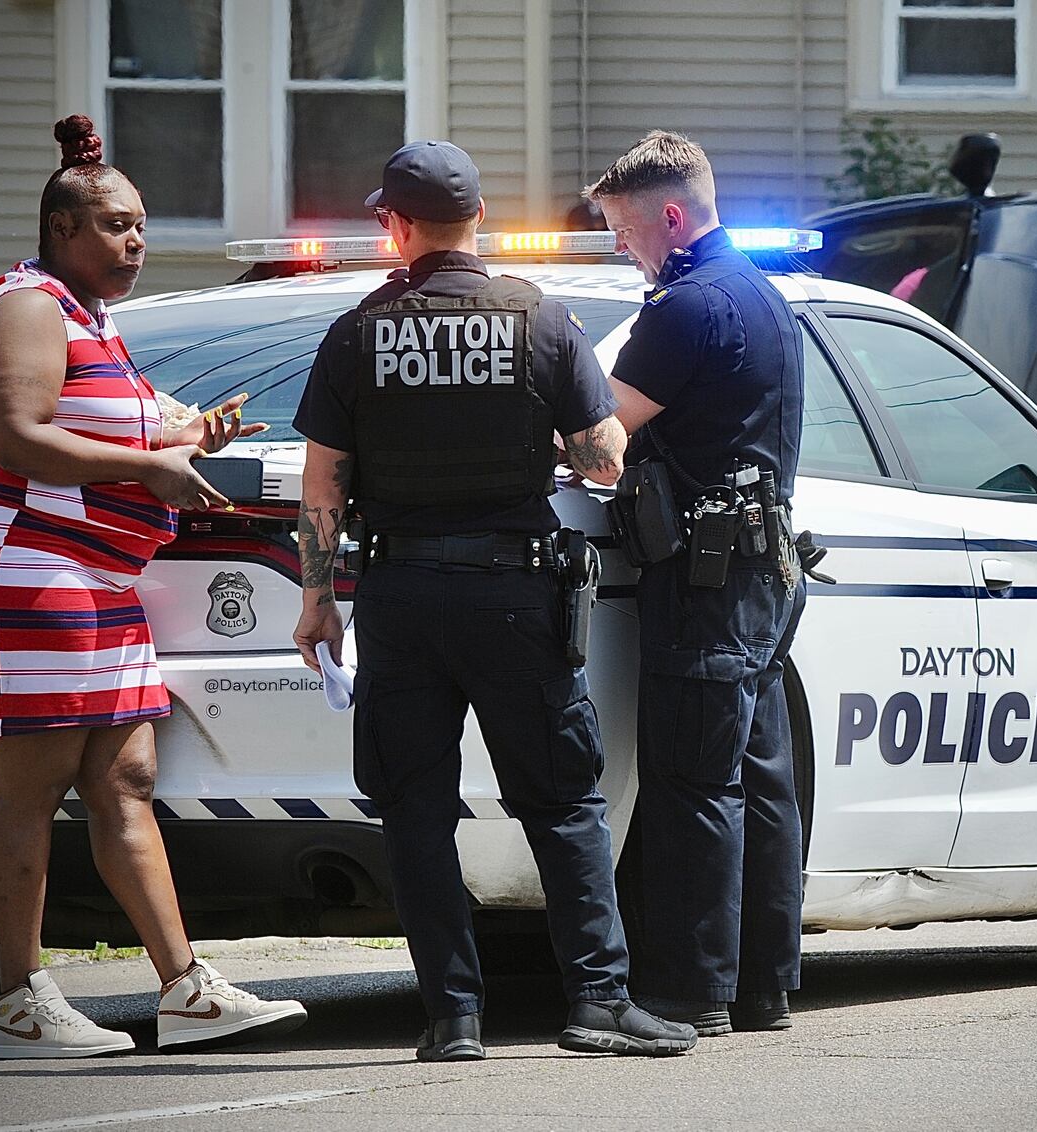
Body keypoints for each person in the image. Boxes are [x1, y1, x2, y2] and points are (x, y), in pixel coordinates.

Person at [290, 139, 697, 1062]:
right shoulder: (541, 320)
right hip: (517, 594)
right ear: (480, 222)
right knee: (561, 802)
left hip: (399, 597)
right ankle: (597, 1003)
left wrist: (321, 599)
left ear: (394, 226)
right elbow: (601, 458)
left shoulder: (358, 331)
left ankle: (452, 1017)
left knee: (417, 808)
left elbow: (323, 485)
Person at [0, 116, 307, 1059]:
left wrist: (187, 441)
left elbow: (112, 441)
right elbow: (17, 436)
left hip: (99, 573)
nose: (135, 241)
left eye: (141, 225)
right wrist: (147, 470)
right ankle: (19, 1002)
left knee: (126, 775)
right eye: (115, 226)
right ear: (64, 229)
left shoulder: (96, 321)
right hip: (31, 562)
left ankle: (185, 990)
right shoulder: (27, 304)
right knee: (32, 786)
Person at [584, 131, 807, 1036]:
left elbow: (601, 441)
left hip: (709, 576)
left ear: (671, 219)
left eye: (624, 232)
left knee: (692, 782)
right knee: (760, 778)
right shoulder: (760, 295)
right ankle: (762, 987)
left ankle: (688, 992)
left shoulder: (682, 310)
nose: (621, 248)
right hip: (762, 569)